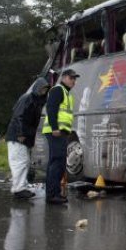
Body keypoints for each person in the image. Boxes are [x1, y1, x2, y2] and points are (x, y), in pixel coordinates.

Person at [5, 78, 49, 200]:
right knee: (20, 162)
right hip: (18, 136)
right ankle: (18, 189)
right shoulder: (27, 99)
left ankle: (21, 187)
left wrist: (29, 140)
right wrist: (20, 133)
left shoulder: (37, 101)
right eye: (42, 88)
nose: (44, 91)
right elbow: (18, 116)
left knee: (24, 162)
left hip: (24, 137)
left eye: (45, 89)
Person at [42, 69, 79, 205]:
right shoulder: (58, 90)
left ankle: (53, 194)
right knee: (57, 162)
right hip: (55, 131)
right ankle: (53, 195)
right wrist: (55, 128)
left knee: (57, 162)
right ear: (63, 77)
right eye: (71, 78)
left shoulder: (67, 93)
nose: (73, 81)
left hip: (61, 132)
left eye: (75, 79)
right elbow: (51, 109)